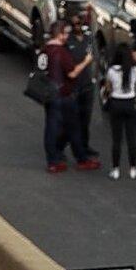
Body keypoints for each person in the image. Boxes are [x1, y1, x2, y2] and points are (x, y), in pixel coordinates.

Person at [38, 17, 82, 172]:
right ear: (60, 34)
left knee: (51, 127)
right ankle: (80, 157)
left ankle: (52, 160)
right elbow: (71, 73)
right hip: (63, 94)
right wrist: (85, 62)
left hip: (48, 94)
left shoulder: (44, 51)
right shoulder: (61, 52)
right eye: (66, 34)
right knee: (73, 127)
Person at [64, 6, 103, 171]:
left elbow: (96, 57)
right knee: (74, 121)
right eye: (74, 25)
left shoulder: (88, 38)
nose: (77, 27)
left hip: (88, 84)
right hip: (73, 86)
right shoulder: (67, 41)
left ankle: (84, 146)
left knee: (85, 120)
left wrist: (95, 77)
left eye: (79, 23)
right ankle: (75, 151)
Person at [102, 40, 136, 179]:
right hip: (130, 103)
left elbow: (108, 89)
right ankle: (133, 169)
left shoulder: (111, 71)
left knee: (117, 139)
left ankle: (115, 169)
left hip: (116, 103)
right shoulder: (135, 70)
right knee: (131, 138)